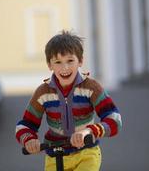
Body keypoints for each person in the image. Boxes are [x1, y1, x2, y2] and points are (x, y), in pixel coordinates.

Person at [15, 30, 122, 171]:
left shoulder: (91, 87)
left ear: (80, 61)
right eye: (58, 62)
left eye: (70, 61)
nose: (65, 67)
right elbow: (25, 125)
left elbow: (114, 119)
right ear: (49, 65)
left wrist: (89, 132)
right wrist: (29, 140)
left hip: (86, 153)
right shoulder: (43, 92)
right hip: (54, 155)